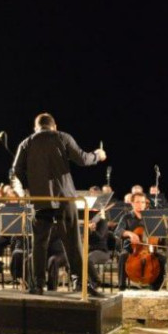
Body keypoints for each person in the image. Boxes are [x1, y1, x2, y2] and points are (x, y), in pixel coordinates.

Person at [13, 112, 107, 296]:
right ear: (54, 126)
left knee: (39, 243)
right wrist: (97, 155)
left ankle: (37, 285)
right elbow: (82, 159)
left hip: (40, 200)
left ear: (36, 128)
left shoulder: (26, 143)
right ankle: (80, 283)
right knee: (72, 242)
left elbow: (16, 169)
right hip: (65, 198)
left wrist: (29, 187)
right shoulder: (62, 137)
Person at [114, 192, 164, 291]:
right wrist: (129, 233)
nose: (140, 204)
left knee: (162, 259)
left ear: (145, 204)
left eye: (142, 202)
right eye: (137, 202)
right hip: (131, 249)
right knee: (123, 256)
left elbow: (159, 236)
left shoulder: (150, 218)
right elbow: (117, 231)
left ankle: (155, 288)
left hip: (149, 249)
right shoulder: (126, 217)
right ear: (132, 203)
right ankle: (122, 287)